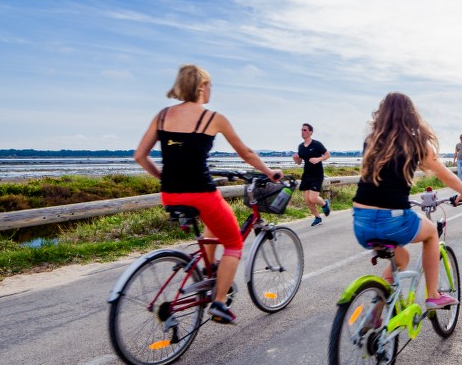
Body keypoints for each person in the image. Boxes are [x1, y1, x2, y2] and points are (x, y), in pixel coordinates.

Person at [134, 64, 283, 325]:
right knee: (234, 243)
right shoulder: (213, 118)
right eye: (210, 84)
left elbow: (139, 156)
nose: (211, 89)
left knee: (213, 226)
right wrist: (270, 173)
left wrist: (164, 178)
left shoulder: (162, 116)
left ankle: (210, 270)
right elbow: (246, 154)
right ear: (202, 86)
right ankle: (219, 302)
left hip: (170, 194)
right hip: (200, 193)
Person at [352, 93, 462, 309]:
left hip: (360, 221)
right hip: (393, 220)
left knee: (401, 258)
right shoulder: (415, 142)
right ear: (411, 115)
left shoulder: (371, 141)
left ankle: (376, 314)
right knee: (431, 234)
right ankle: (433, 295)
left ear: (382, 114)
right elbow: (444, 174)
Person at [293, 122, 333, 226]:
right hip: (307, 174)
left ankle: (325, 204)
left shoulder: (317, 144)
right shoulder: (301, 147)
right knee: (307, 200)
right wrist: (295, 159)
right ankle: (317, 217)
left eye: (305, 130)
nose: (302, 132)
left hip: (317, 174)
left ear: (310, 132)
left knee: (313, 198)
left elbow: (328, 155)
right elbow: (299, 162)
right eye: (301, 130)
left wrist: (318, 159)